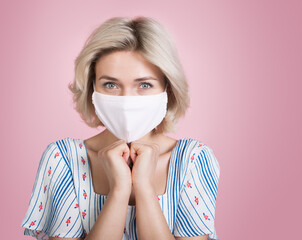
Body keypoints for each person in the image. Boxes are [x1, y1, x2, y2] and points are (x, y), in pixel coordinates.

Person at [21, 16, 220, 240]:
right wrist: (119, 191)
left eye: (144, 85)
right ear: (91, 89)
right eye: (111, 85)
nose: (127, 100)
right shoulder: (63, 159)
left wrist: (144, 188)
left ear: (168, 89)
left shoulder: (193, 160)